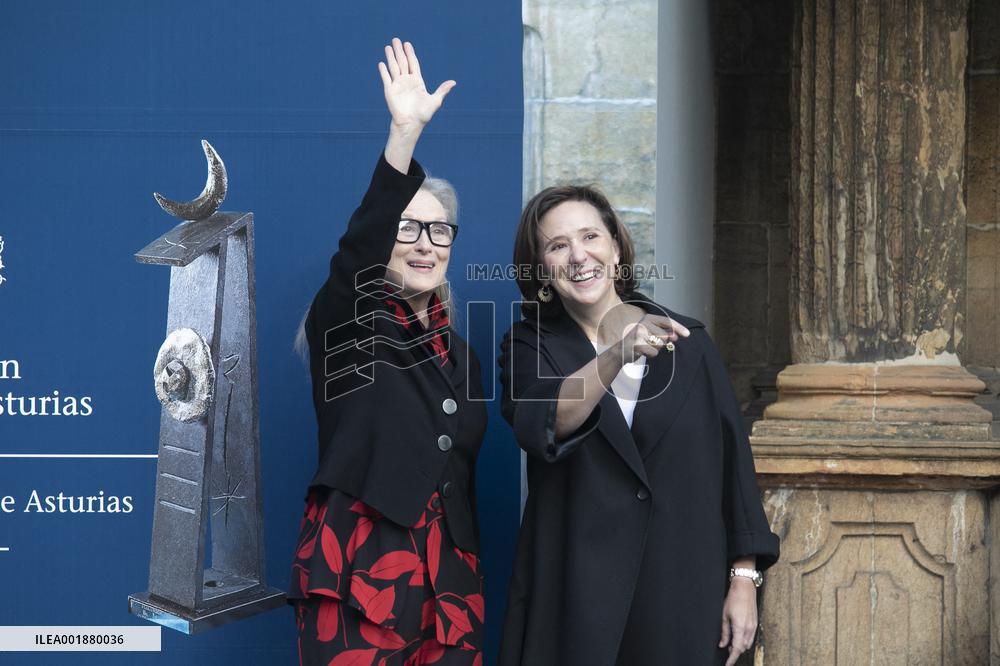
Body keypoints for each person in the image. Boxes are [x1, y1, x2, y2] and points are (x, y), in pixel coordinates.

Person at [497, 185, 780, 665]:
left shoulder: (689, 342)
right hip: (574, 601)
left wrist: (744, 578)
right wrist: (614, 355)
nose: (578, 256)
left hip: (685, 595)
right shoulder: (528, 346)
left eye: (590, 237)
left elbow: (734, 468)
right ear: (540, 266)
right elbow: (545, 421)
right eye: (557, 245)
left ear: (617, 247)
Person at [288, 39, 486, 666]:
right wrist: (403, 137)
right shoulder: (351, 323)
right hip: (357, 572)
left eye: (439, 230)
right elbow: (357, 252)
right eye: (407, 228)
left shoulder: (463, 357)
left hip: (450, 587)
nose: (425, 244)